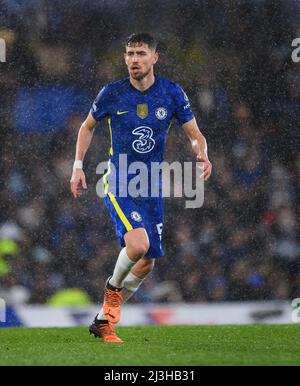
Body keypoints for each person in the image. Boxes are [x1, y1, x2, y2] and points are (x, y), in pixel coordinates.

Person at [70, 33, 212, 343]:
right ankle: (112, 295)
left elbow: (194, 133)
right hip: (120, 180)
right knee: (137, 246)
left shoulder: (172, 93)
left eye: (140, 53)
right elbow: (87, 127)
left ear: (154, 58)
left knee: (147, 261)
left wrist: (200, 151)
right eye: (130, 54)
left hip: (150, 186)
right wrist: (78, 166)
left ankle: (102, 320)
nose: (134, 59)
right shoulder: (112, 93)